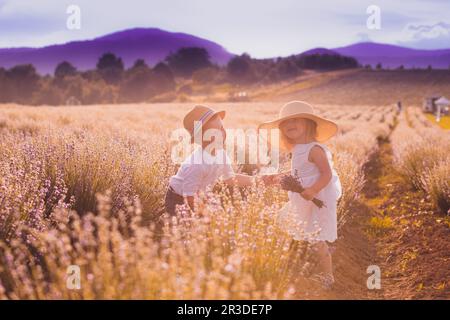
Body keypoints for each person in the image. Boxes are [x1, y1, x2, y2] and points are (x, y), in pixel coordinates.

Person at [259, 101, 342, 289]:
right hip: (303, 198)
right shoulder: (297, 149)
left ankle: (328, 276)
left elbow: (326, 174)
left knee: (317, 238)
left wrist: (312, 190)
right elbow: (298, 174)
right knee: (287, 223)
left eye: (295, 120)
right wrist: (277, 177)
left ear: (309, 124)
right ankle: (292, 263)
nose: (290, 125)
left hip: (316, 198)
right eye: (285, 123)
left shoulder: (315, 149)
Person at [165, 104, 273, 216]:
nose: (221, 134)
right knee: (187, 226)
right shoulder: (196, 165)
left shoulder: (220, 153)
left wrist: (256, 180)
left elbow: (230, 178)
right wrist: (206, 214)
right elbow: (189, 198)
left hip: (197, 193)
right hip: (178, 198)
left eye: (221, 128)